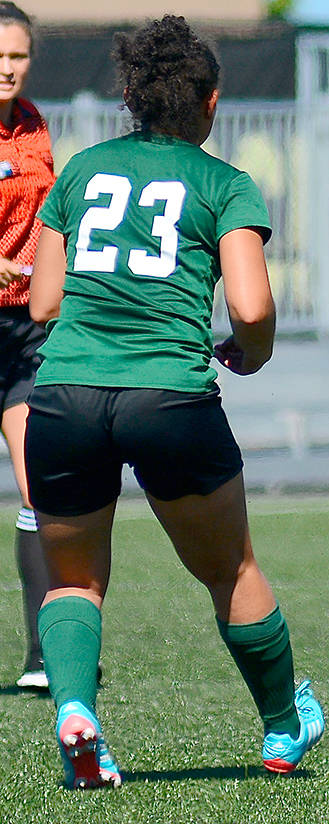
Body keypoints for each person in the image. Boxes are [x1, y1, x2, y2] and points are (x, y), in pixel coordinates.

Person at [26, 15, 322, 789]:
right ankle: (284, 729)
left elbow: (45, 304)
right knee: (231, 571)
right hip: (169, 397)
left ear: (127, 94)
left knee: (73, 581)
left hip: (65, 394)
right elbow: (253, 311)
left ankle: (76, 714)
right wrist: (248, 357)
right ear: (212, 103)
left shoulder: (83, 170)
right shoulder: (224, 182)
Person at [0, 2, 54, 691]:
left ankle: (47, 655)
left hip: (23, 331)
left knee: (42, 487)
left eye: (16, 57)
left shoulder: (35, 123)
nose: (7, 70)